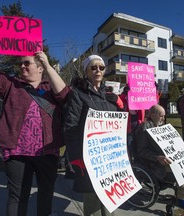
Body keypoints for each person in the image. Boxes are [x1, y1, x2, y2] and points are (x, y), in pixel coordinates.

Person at [0, 20, 69, 216]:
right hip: (17, 153)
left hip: (47, 152)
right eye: (20, 63)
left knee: (46, 194)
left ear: (40, 68)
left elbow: (65, 95)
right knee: (17, 195)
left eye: (27, 63)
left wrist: (47, 63)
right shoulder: (11, 85)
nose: (22, 66)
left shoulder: (50, 87)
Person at [63, 55, 123, 216]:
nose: (98, 70)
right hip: (89, 156)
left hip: (110, 156)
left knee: (110, 198)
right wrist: (76, 158)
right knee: (93, 200)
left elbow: (118, 124)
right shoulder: (78, 94)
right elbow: (71, 127)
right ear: (86, 71)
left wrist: (119, 104)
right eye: (93, 67)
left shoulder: (109, 94)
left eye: (101, 67)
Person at [136, 104, 184, 212]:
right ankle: (182, 199)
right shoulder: (144, 127)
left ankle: (183, 199)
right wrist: (157, 158)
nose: (163, 118)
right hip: (154, 164)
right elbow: (141, 151)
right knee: (183, 170)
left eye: (164, 116)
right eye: (161, 116)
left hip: (167, 159)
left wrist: (181, 146)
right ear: (152, 115)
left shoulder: (162, 126)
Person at [119, 85, 145, 162]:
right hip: (127, 129)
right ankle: (130, 164)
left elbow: (140, 114)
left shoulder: (139, 99)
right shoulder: (122, 98)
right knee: (129, 148)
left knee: (137, 147)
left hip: (138, 127)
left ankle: (137, 164)